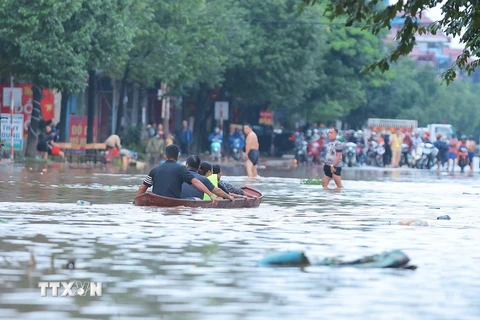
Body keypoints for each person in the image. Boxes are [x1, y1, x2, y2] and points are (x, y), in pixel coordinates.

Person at [136, 145, 218, 205]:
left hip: (156, 202)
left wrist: (135, 200)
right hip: (173, 203)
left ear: (165, 156)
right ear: (177, 157)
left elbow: (143, 188)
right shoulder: (181, 169)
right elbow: (195, 182)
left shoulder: (154, 169)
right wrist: (210, 194)